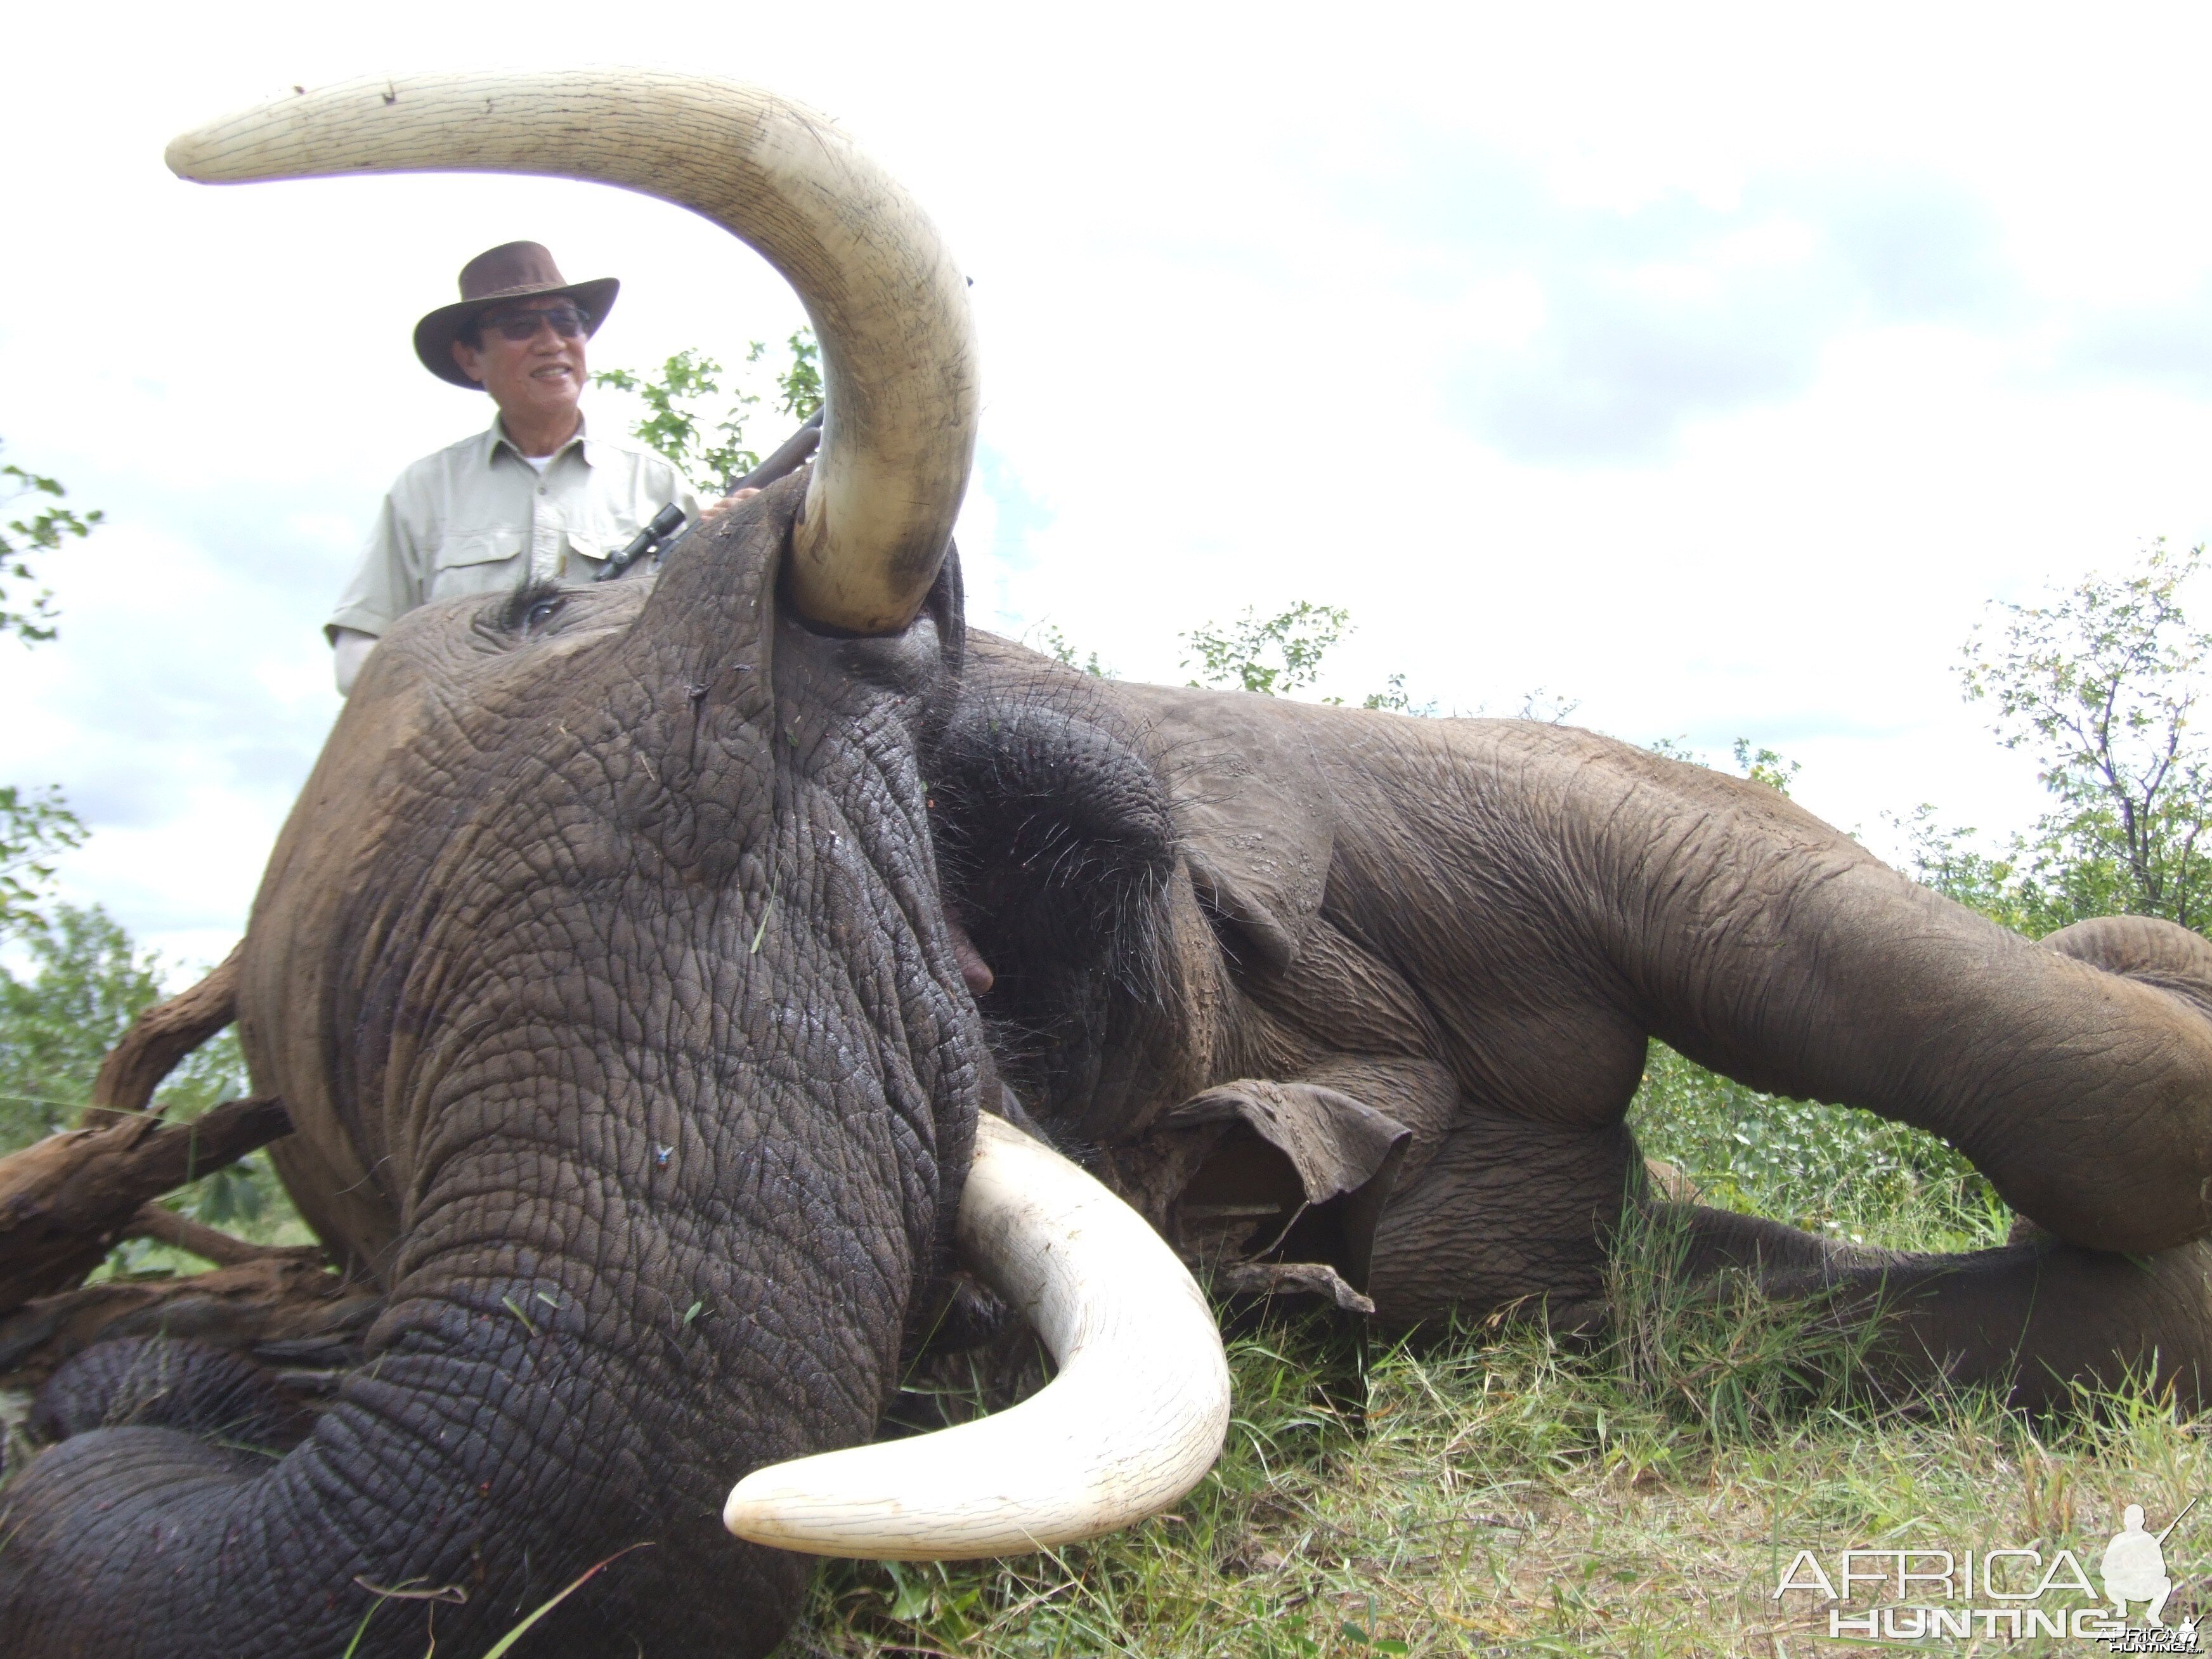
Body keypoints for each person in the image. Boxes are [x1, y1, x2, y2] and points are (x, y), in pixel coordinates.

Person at [326, 242, 701, 693]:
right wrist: (450, 704)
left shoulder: (656, 482)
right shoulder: (425, 489)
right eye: (521, 327)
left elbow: (707, 633)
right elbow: (357, 653)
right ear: (471, 358)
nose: (552, 342)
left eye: (567, 322)